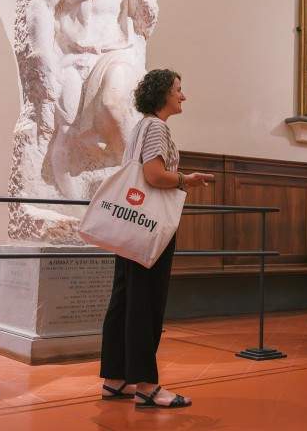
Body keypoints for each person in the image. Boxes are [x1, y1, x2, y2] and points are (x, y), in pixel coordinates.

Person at [100, 69, 214, 409]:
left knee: (124, 300)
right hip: (149, 227)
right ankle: (147, 386)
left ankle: (116, 379)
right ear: (163, 93)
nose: (183, 95)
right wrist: (185, 179)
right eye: (179, 89)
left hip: (130, 226)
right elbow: (153, 175)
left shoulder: (140, 127)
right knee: (146, 303)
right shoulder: (158, 128)